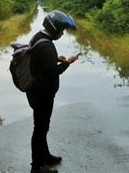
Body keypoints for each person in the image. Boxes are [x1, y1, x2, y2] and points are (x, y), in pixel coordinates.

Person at [27, 10, 79, 173]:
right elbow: (52, 73)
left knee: (42, 128)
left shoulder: (38, 37)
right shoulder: (47, 46)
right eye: (61, 30)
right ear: (55, 28)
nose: (62, 34)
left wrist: (56, 58)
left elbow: (38, 58)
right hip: (42, 94)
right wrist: (68, 62)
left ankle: (46, 156)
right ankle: (37, 167)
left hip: (35, 91)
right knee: (40, 129)